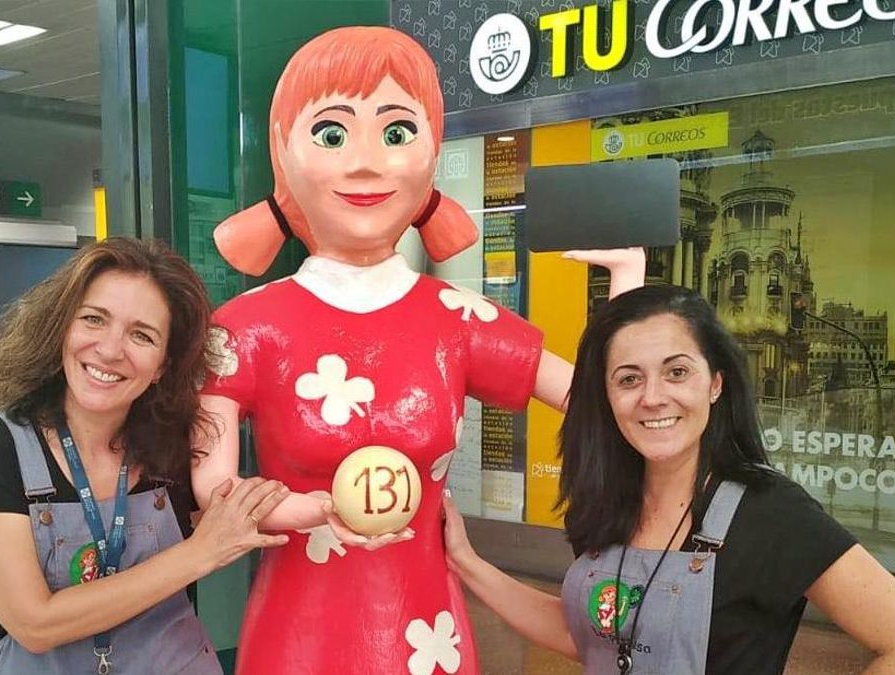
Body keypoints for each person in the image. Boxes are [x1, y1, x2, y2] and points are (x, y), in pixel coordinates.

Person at [192, 26, 646, 675]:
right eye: (331, 133)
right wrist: (306, 509)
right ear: (283, 155)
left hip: (426, 632)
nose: (366, 161)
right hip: (298, 637)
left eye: (397, 131)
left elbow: (600, 403)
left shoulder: (456, 318)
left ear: (430, 154)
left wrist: (626, 285)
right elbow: (213, 484)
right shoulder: (242, 328)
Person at [441, 284, 895, 674]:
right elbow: (593, 636)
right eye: (629, 378)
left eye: (677, 372)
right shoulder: (604, 502)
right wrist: (466, 562)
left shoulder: (770, 512)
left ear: (715, 383)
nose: (653, 397)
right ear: (607, 397)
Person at [0, 238, 290, 674]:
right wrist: (199, 554)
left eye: (141, 335)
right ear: (61, 328)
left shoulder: (175, 445)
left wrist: (339, 507)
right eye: (93, 320)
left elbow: (238, 513)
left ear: (163, 364)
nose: (109, 349)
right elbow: (34, 623)